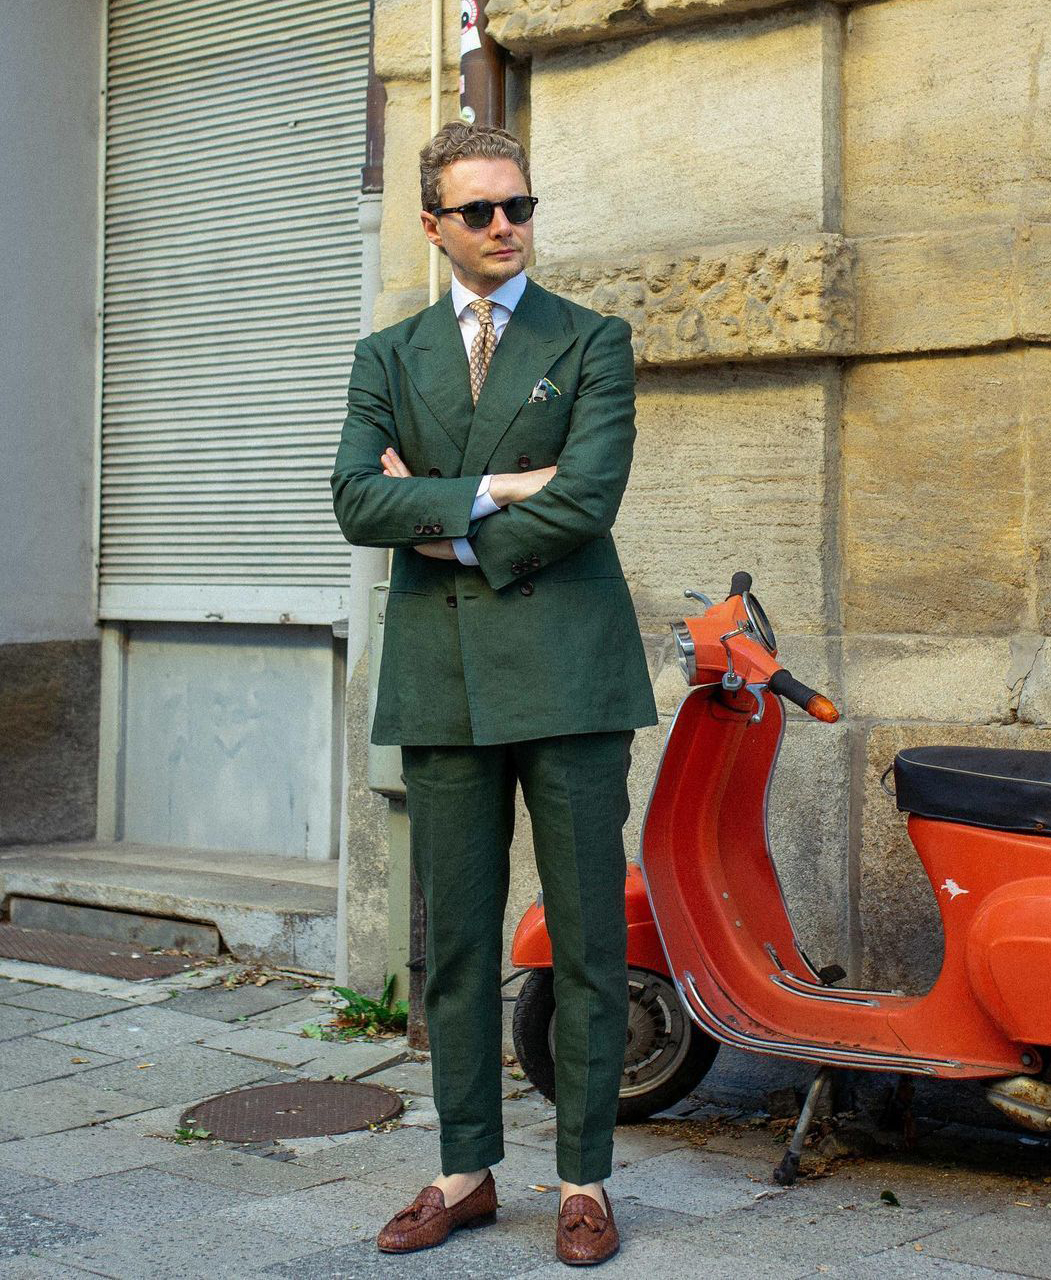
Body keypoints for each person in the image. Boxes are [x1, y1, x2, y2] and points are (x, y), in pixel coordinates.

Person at [330, 121, 657, 1266]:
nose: (507, 225)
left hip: (571, 676)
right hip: (444, 684)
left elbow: (591, 499)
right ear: (434, 224)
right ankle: (464, 1169)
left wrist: (449, 518)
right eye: (479, 211)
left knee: (586, 943)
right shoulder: (390, 355)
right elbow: (356, 504)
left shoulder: (593, 340)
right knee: (459, 942)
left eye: (519, 204)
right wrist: (511, 481)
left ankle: (585, 1180)